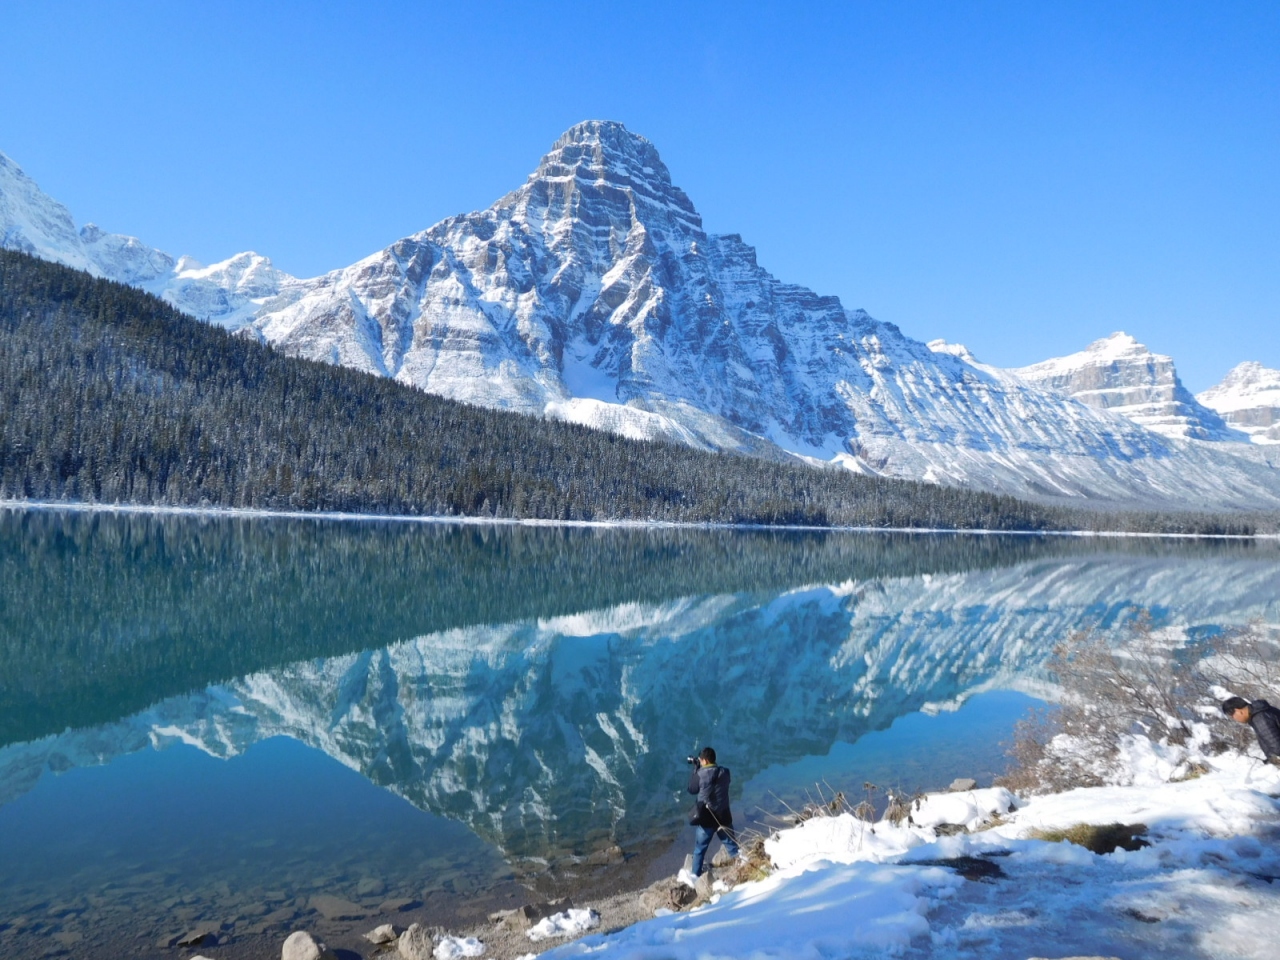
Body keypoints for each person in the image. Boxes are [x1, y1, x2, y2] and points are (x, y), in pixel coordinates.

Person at [687, 746, 740, 876]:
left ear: (704, 761)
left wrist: (696, 770)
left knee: (700, 850)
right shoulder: (725, 772)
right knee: (732, 846)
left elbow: (692, 789)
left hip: (707, 818)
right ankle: (742, 866)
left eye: (700, 760)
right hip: (724, 816)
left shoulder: (700, 774)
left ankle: (695, 876)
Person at [1222, 696, 1280, 763]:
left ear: (1238, 711)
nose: (1234, 718)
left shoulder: (1259, 719)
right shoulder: (1262, 712)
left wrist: (1273, 761)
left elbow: (1277, 748)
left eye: (1232, 716)